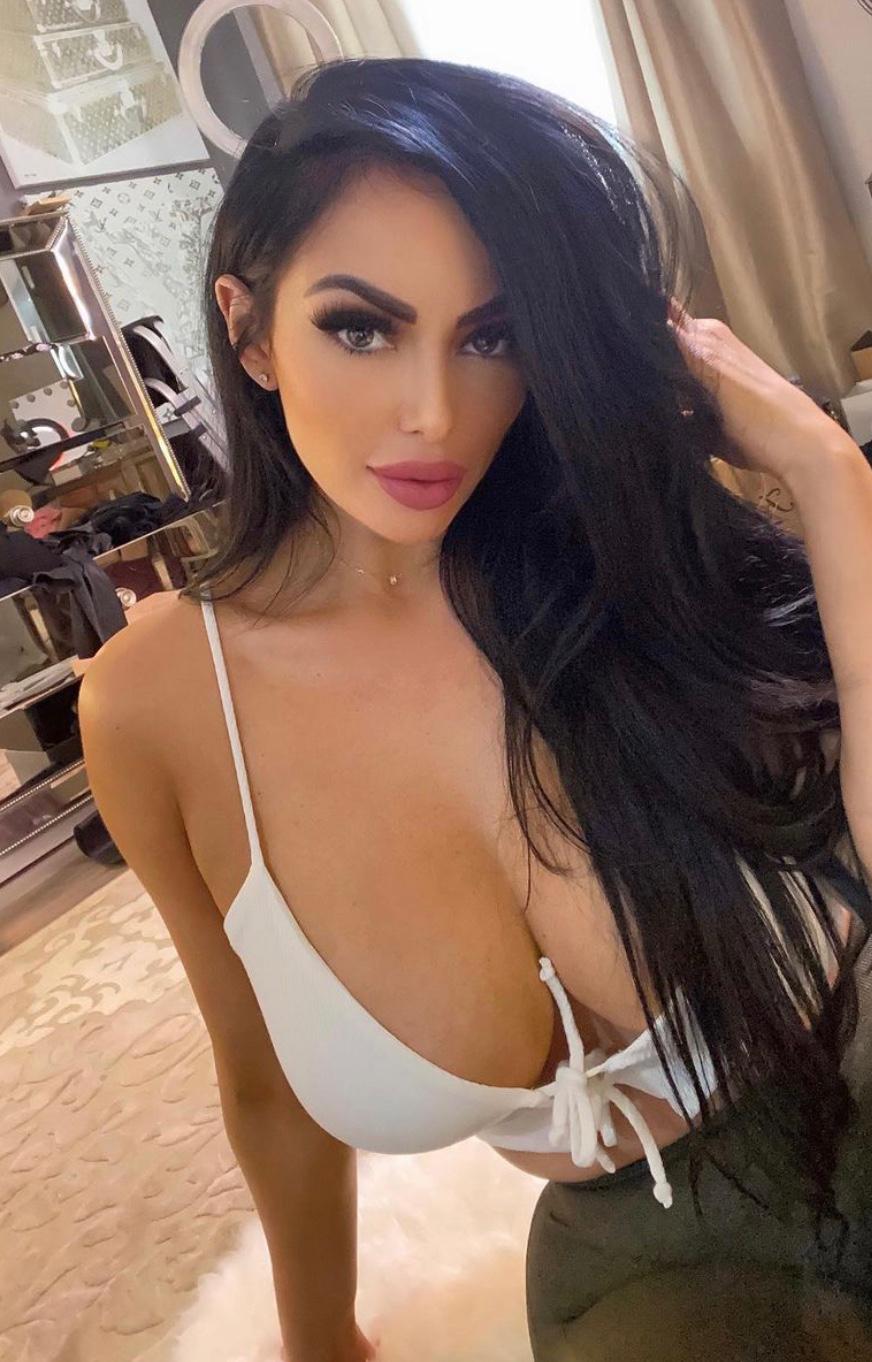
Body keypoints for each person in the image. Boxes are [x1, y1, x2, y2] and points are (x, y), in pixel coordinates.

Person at [78, 57, 872, 1362]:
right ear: (250, 329)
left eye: (493, 335)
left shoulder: (630, 566)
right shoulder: (155, 707)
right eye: (360, 327)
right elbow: (264, 1079)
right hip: (641, 1254)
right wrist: (319, 1337)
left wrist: (828, 475)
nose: (436, 413)